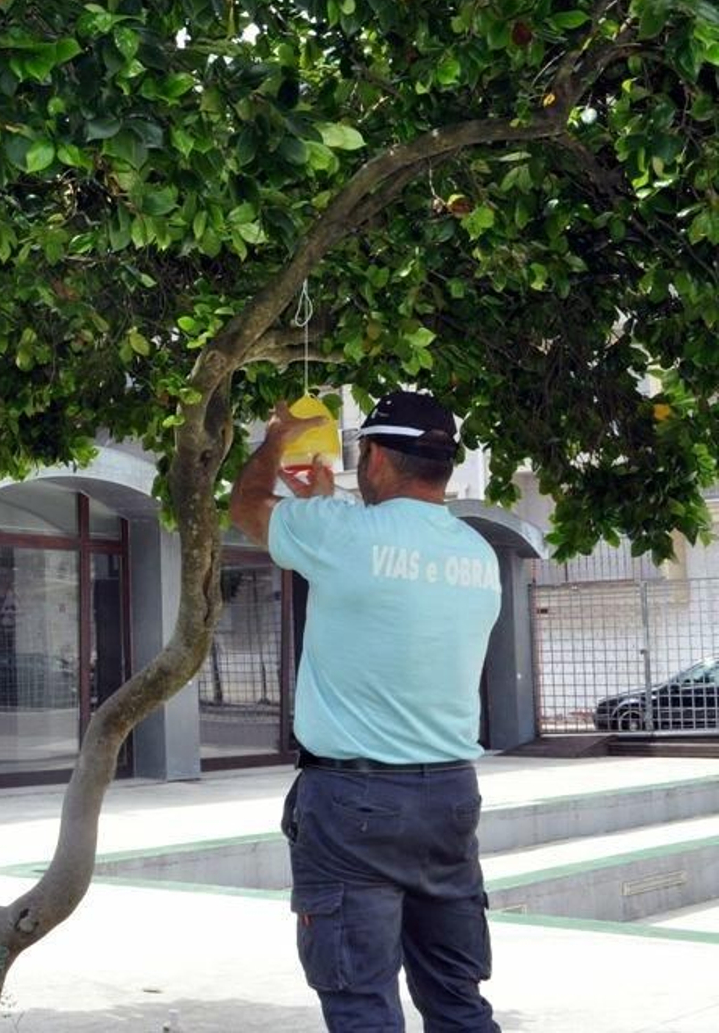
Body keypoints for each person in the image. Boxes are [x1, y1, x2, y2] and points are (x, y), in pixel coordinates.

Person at [228, 390, 502, 1033]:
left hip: (353, 801)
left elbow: (245, 507)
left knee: (360, 1001)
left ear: (375, 456)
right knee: (458, 1001)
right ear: (445, 467)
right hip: (450, 799)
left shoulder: (339, 534)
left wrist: (275, 441)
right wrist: (322, 507)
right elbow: (383, 567)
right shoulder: (478, 554)